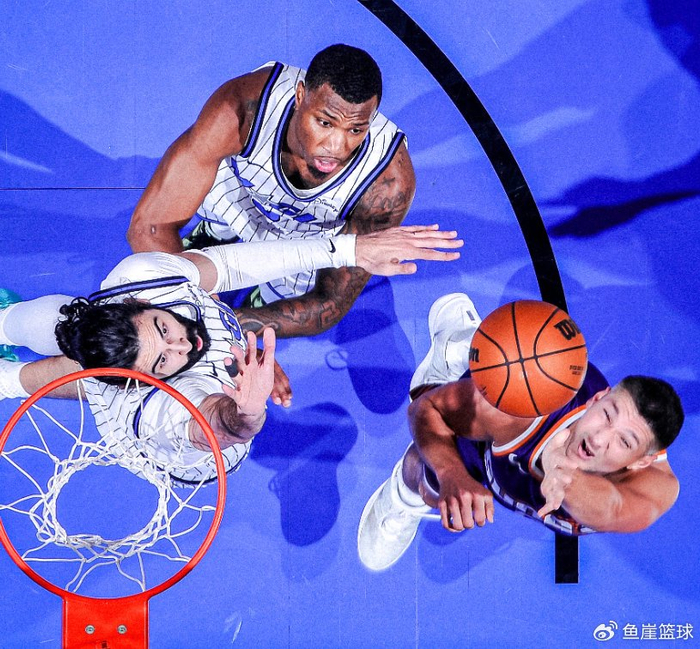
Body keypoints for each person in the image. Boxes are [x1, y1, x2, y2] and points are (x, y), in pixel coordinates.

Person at [0, 226, 461, 483]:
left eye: (164, 329)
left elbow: (234, 264)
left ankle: (6, 351)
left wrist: (352, 249)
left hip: (141, 388)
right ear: (144, 380)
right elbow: (217, 425)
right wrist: (247, 410)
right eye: (163, 361)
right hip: (183, 434)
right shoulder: (156, 405)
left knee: (72, 340)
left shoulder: (141, 275)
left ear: (137, 303)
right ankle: (7, 346)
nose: (183, 345)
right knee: (77, 362)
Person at [357, 293, 684, 571]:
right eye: (607, 415)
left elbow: (612, 508)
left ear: (642, 461)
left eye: (624, 441)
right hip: (502, 426)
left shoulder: (653, 489)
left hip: (520, 451)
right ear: (598, 399)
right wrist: (451, 474)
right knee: (430, 475)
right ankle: (461, 352)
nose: (599, 439)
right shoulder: (518, 414)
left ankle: (474, 353)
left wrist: (563, 473)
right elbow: (425, 409)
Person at [126, 44, 417, 338]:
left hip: (307, 237)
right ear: (300, 96)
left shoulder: (388, 181)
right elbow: (149, 227)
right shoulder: (243, 107)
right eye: (324, 123)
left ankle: (259, 301)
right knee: (211, 189)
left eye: (355, 130)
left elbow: (328, 304)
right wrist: (200, 313)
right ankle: (213, 235)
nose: (336, 147)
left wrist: (229, 330)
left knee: (286, 294)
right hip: (242, 195)